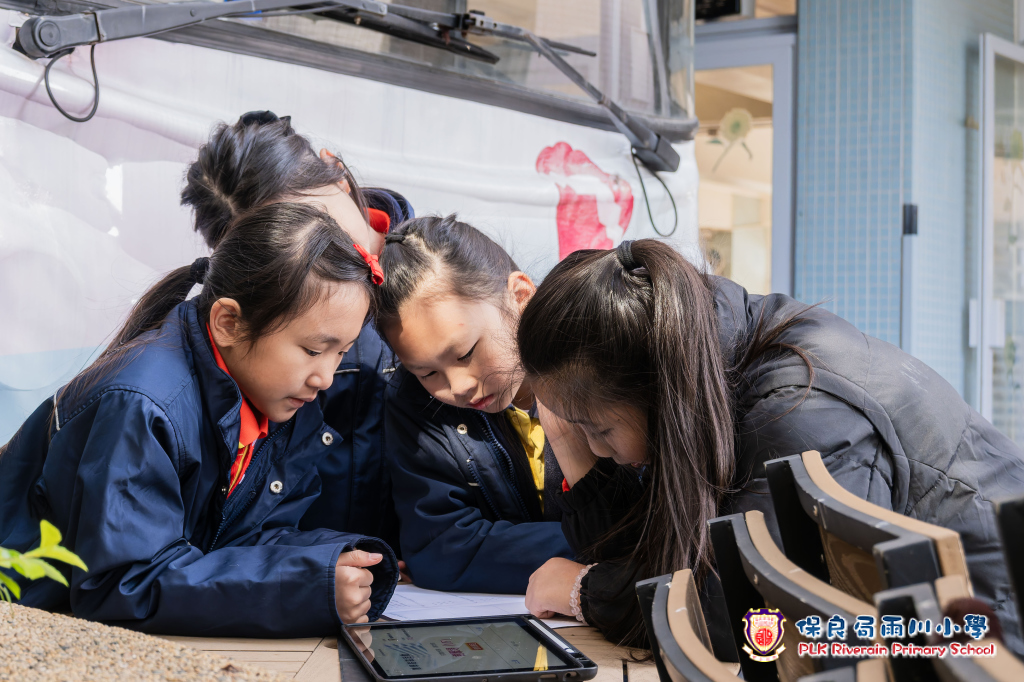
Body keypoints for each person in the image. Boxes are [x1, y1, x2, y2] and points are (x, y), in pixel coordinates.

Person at [516, 239, 1024, 654]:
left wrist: (587, 592)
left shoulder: (800, 413)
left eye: (598, 430)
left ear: (655, 388)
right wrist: (571, 445)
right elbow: (649, 555)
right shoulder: (705, 358)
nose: (598, 449)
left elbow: (765, 620)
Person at [0, 203, 398, 636]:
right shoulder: (142, 406)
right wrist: (306, 586)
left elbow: (244, 542)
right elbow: (122, 583)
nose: (325, 378)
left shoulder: (281, 403)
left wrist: (336, 564)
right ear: (228, 323)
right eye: (313, 350)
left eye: (341, 353)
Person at [181, 110, 413, 544]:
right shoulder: (247, 337)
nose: (320, 253)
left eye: (316, 222)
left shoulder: (444, 274)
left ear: (337, 173)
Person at [374, 215, 573, 593]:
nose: (458, 387)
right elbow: (440, 548)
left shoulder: (597, 360)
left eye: (465, 353)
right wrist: (597, 547)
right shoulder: (413, 402)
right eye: (427, 373)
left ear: (520, 297)